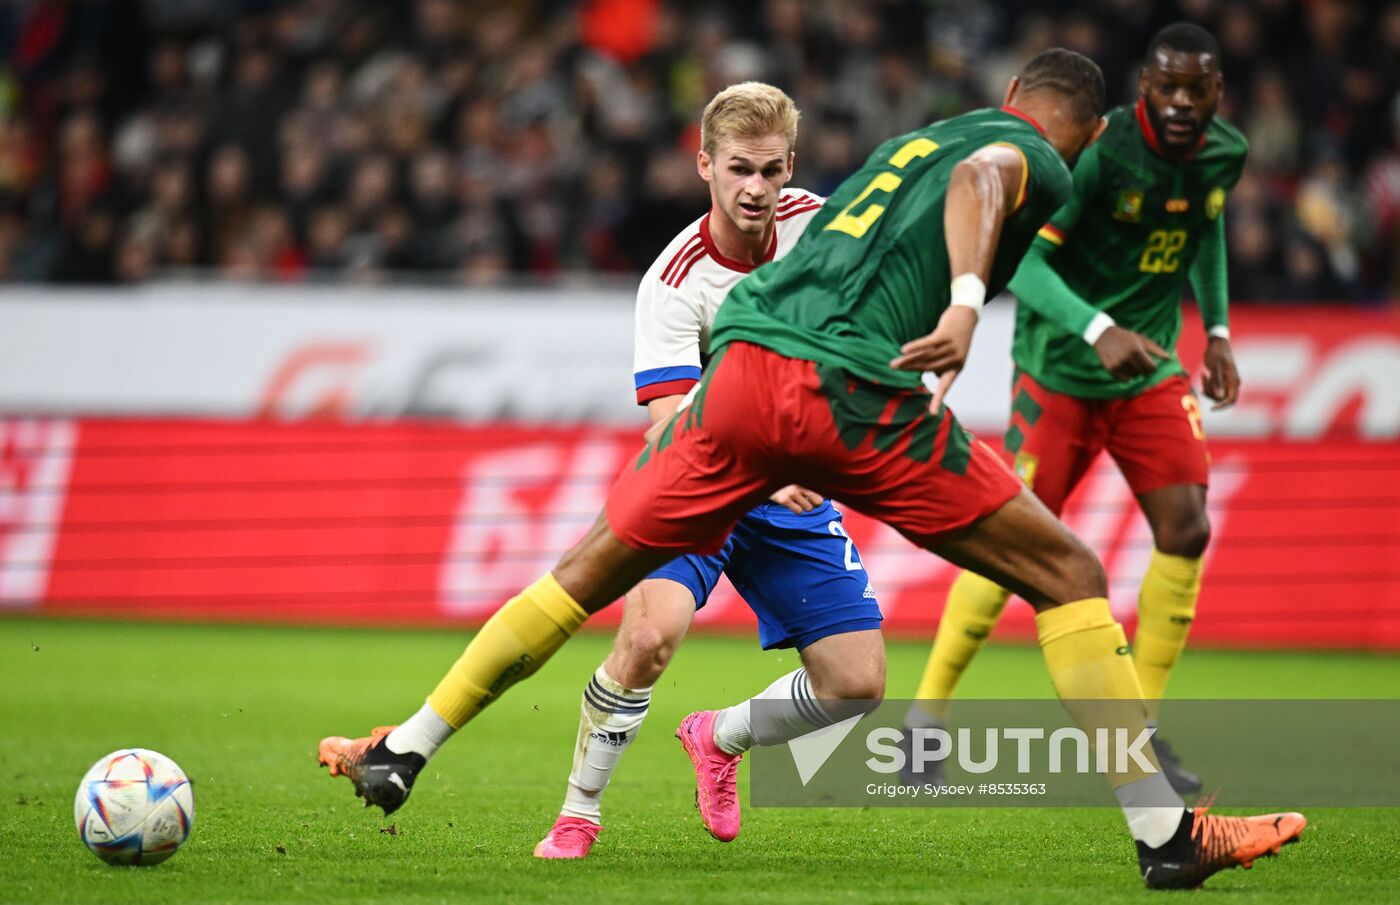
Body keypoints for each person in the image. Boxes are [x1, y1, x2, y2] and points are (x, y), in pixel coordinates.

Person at [317, 49, 1302, 890]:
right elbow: (982, 187)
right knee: (1070, 574)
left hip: (743, 377)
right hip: (844, 396)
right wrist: (964, 305)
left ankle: (408, 744)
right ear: (1082, 133)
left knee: (584, 570)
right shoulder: (1037, 155)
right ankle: (1164, 836)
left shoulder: (906, 146)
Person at [527, 82, 884, 859]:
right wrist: (769, 464)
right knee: (650, 636)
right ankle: (578, 810)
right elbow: (671, 420)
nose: (755, 188)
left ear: (789, 166)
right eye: (738, 169)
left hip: (792, 484)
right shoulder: (674, 279)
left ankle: (716, 736)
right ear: (704, 165)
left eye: (770, 169)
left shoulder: (823, 231)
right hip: (697, 479)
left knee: (857, 684)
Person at [905, 24, 1246, 797]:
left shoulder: (1225, 153)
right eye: (1168, 88)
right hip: (1059, 371)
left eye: (1199, 89)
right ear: (1144, 91)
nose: (1184, 103)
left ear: (1218, 91)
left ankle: (1142, 733)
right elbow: (1024, 262)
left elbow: (1207, 225)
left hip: (1146, 371)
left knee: (1188, 526)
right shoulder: (1099, 154)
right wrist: (1097, 328)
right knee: (1012, 543)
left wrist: (1217, 329)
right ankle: (923, 718)